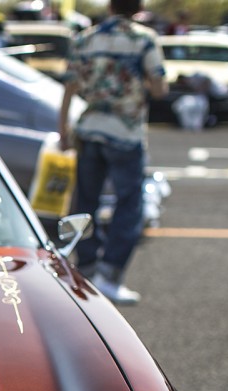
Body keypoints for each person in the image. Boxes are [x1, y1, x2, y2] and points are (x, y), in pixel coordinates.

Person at [58, 0, 166, 305]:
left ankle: (86, 267)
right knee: (128, 204)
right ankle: (111, 274)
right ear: (138, 8)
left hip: (90, 128)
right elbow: (159, 88)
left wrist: (63, 129)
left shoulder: (86, 39)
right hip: (125, 133)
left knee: (85, 202)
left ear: (109, 6)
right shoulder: (144, 39)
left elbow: (69, 88)